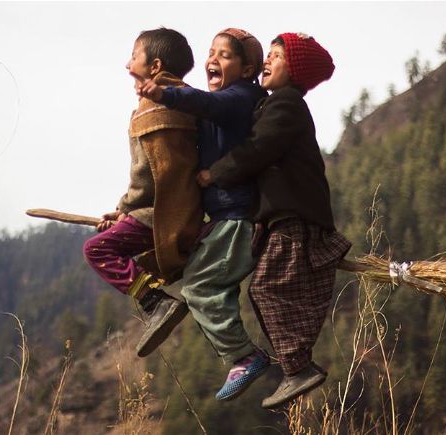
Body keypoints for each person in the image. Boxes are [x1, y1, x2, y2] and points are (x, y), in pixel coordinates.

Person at [197, 32, 352, 408]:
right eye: (267, 55)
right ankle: (294, 367)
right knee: (263, 289)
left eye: (277, 56)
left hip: (294, 219)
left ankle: (298, 369)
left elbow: (256, 151)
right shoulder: (272, 104)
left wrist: (213, 174)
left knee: (267, 288)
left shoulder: (286, 105)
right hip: (281, 220)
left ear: (294, 70)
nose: (268, 61)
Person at [138, 28, 270, 401]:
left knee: (200, 286)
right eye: (211, 52)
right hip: (225, 217)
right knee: (204, 281)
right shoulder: (226, 101)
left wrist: (164, 94)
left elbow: (206, 104)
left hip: (236, 218)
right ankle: (240, 354)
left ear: (246, 70)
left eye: (224, 55)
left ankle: (244, 355)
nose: (213, 60)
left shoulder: (240, 97)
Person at [83, 28, 202, 358]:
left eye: (134, 56)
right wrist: (124, 213)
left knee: (98, 250)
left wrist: (125, 208)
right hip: (187, 210)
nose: (127, 63)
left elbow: (149, 175)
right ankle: (156, 297)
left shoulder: (153, 108)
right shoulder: (189, 100)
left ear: (155, 65)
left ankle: (155, 301)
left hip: (160, 215)